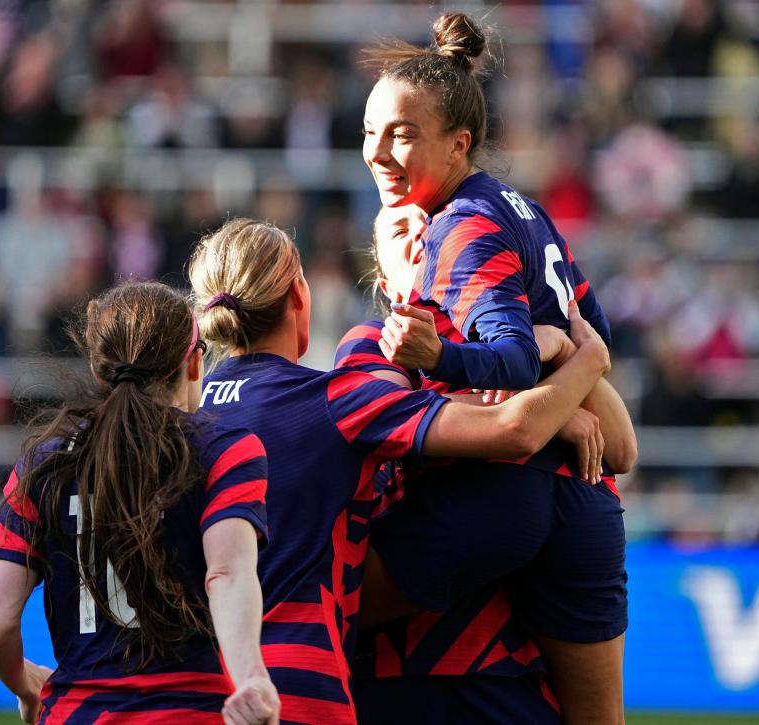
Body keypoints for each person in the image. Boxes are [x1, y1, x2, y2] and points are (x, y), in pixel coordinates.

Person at [188, 217, 610, 725]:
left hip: (193, 683)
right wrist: (582, 358)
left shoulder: (172, 421)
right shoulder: (332, 400)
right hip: (299, 681)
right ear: (299, 294)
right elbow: (516, 431)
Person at [361, 13, 632, 723]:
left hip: (497, 491)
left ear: (458, 143)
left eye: (401, 133)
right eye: (370, 133)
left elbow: (510, 355)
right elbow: (591, 341)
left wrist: (441, 354)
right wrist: (567, 365)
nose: (380, 152)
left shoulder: (463, 226)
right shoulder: (525, 211)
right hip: (587, 500)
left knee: (314, 605)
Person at [0, 282, 280, 725]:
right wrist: (253, 678)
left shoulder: (43, 464)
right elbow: (227, 574)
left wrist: (26, 685)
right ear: (193, 363)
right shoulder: (226, 449)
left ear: (99, 373)